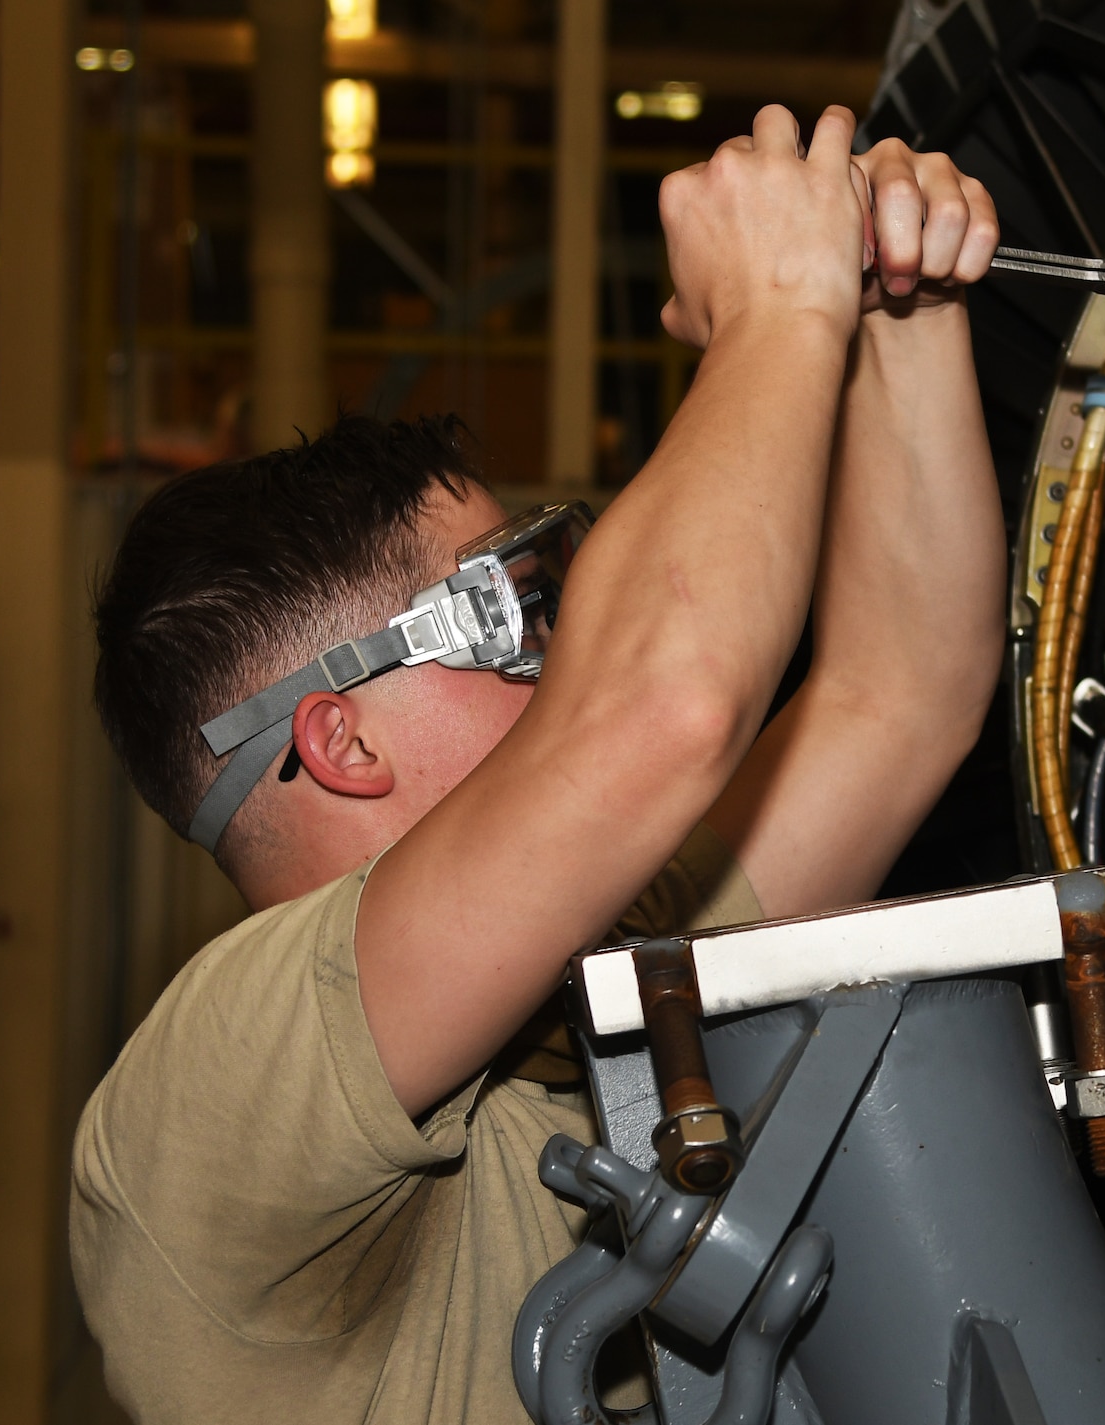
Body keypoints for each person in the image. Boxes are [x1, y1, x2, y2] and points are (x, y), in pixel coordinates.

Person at [70, 104, 1005, 1421]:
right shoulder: (211, 1085)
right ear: (340, 739)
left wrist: (892, 303)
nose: (565, 656)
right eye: (506, 614)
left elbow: (901, 691)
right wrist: (777, 315)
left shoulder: (580, 1005)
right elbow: (658, 713)